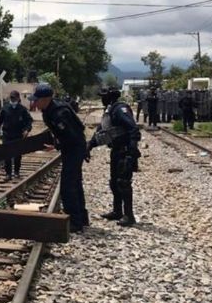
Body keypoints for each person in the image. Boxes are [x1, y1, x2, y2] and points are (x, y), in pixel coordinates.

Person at [29, 83, 88, 233]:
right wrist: (56, 143)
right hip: (72, 147)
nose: (35, 102)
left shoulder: (59, 112)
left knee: (68, 186)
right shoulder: (48, 110)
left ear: (46, 99)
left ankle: (74, 222)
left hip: (75, 148)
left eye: (37, 100)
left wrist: (57, 146)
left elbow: (71, 136)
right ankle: (82, 218)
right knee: (75, 182)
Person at [89, 87, 141, 227]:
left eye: (103, 96)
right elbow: (102, 132)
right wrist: (89, 145)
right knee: (114, 182)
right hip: (116, 150)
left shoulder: (120, 109)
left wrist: (132, 151)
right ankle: (117, 211)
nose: (102, 99)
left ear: (110, 97)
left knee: (123, 182)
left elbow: (133, 129)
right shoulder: (110, 110)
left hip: (125, 151)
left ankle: (129, 216)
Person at [0, 90, 33, 181]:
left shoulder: (23, 109)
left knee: (17, 155)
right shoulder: (5, 108)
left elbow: (29, 121)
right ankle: (8, 174)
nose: (13, 99)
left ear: (18, 98)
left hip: (18, 135)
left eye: (14, 98)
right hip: (7, 135)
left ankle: (16, 172)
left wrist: (27, 130)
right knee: (7, 155)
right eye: (11, 97)